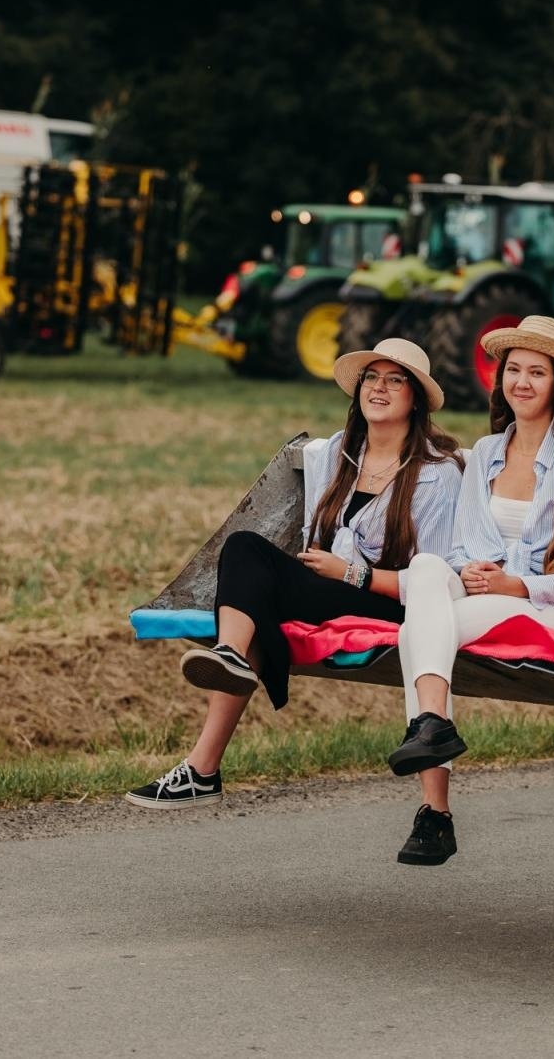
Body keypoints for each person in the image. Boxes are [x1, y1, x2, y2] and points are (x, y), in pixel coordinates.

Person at [126, 339, 464, 808]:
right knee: (242, 547)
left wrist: (352, 573)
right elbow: (310, 537)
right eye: (371, 378)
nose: (379, 388)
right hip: (325, 583)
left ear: (416, 399)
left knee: (255, 591)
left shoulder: (438, 473)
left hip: (388, 600)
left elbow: (435, 578)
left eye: (395, 380)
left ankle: (203, 764)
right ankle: (229, 659)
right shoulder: (335, 454)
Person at [386, 315, 554, 865]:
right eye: (513, 370)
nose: (520, 381)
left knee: (414, 639)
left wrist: (517, 583)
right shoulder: (487, 451)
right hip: (482, 597)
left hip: (543, 610)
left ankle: (435, 810)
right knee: (426, 566)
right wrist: (470, 571)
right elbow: (466, 545)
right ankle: (433, 726)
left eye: (535, 372)